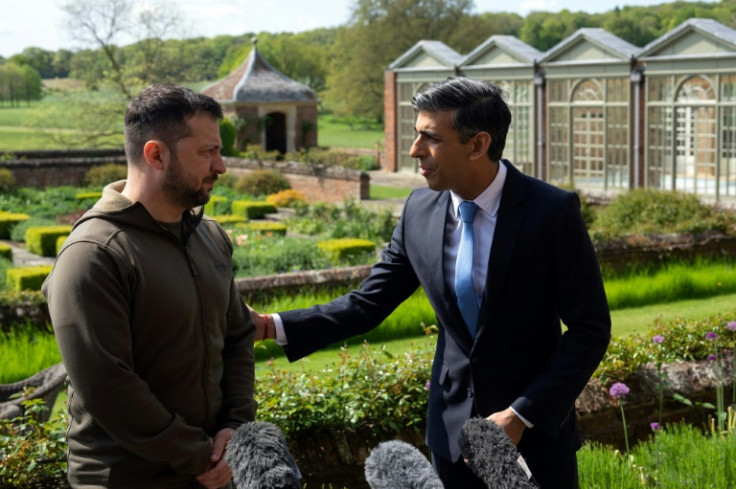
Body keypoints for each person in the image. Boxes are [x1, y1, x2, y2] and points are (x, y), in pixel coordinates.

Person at [252, 77, 611, 488]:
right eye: (415, 134)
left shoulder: (552, 211)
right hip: (451, 438)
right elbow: (369, 302)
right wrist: (271, 325)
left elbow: (589, 330)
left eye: (430, 137)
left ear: (477, 145)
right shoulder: (418, 208)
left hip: (534, 438)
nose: (414, 150)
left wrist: (521, 414)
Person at [42, 83, 257, 489]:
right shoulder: (93, 254)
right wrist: (198, 455)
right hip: (127, 478)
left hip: (212, 469)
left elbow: (238, 337)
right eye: (207, 152)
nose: (221, 166)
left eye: (219, 151)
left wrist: (235, 430)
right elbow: (108, 385)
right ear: (156, 154)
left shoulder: (209, 235)